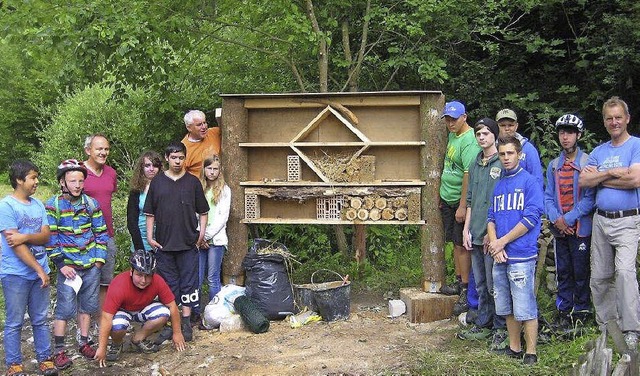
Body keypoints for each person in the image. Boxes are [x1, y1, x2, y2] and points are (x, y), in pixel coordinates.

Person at [579, 96, 640, 350]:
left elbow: (635, 180)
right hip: (601, 221)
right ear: (604, 122)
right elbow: (584, 181)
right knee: (601, 277)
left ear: (627, 118)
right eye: (609, 118)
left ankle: (631, 330)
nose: (614, 122)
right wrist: (614, 172)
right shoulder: (599, 151)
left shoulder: (636, 145)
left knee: (625, 273)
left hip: (628, 219)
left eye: (618, 117)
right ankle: (607, 326)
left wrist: (600, 177)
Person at [45, 159, 108, 370]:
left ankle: (83, 342)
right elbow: (51, 238)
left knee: (87, 307)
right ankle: (59, 350)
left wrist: (99, 261)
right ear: (62, 182)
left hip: (90, 265)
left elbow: (101, 233)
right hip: (68, 268)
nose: (77, 185)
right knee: (64, 308)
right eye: (72, 181)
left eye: (81, 180)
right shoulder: (53, 205)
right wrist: (61, 264)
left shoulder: (91, 204)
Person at [144, 142, 209, 344]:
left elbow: (204, 211)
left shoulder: (192, 182)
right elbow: (150, 213)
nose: (177, 161)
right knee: (169, 287)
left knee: (189, 285)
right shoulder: (157, 183)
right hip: (164, 244)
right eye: (174, 157)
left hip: (189, 243)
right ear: (167, 158)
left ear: (185, 158)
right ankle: (173, 323)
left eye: (181, 157)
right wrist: (149, 236)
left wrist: (202, 233)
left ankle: (187, 324)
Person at [487, 135, 544, 365]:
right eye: (502, 154)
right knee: (506, 304)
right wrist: (494, 244)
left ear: (519, 154)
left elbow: (531, 218)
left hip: (521, 253)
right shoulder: (499, 184)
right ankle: (514, 347)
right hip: (499, 255)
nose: (506, 158)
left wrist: (502, 242)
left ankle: (531, 352)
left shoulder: (529, 182)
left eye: (510, 153)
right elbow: (491, 217)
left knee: (525, 305)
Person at [0, 160, 58, 376]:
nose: (36, 181)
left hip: (38, 272)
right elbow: (16, 246)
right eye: (33, 177)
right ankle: (14, 366)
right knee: (15, 321)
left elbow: (46, 235)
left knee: (40, 319)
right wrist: (39, 270)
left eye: (36, 177)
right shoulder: (6, 206)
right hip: (15, 274)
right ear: (19, 179)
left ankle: (45, 360)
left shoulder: (38, 204)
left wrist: (25, 236)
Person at [544, 114, 595, 330]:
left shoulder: (587, 162)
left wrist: (569, 218)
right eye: (562, 132)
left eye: (570, 133)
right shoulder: (554, 165)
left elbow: (590, 198)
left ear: (579, 135)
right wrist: (557, 219)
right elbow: (547, 196)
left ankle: (582, 311)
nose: (565, 137)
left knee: (581, 270)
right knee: (563, 270)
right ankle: (564, 310)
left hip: (580, 229)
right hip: (560, 230)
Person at [94, 250, 186, 367]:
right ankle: (117, 343)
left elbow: (172, 306)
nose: (143, 280)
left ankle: (138, 338)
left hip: (143, 308)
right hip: (123, 311)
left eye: (148, 276)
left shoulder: (158, 281)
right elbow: (106, 317)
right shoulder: (118, 284)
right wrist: (101, 348)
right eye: (139, 275)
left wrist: (177, 333)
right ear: (131, 272)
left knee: (164, 312)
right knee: (117, 326)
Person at [457, 118, 502, 341]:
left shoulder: (501, 162)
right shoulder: (476, 162)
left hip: (492, 235)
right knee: (481, 282)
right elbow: (471, 200)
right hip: (474, 232)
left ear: (495, 135)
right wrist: (467, 230)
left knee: (495, 283)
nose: (482, 137)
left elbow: (502, 202)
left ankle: (500, 326)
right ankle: (484, 322)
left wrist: (490, 234)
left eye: (486, 133)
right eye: (479, 134)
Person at [438, 101, 482, 317]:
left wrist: (463, 205)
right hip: (448, 198)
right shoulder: (453, 135)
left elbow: (468, 174)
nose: (450, 123)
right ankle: (458, 280)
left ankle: (466, 289)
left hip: (459, 201)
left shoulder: (470, 140)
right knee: (455, 244)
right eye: (447, 119)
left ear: (465, 117)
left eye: (454, 119)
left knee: (463, 246)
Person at [83, 134, 118, 301]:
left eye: (106, 149)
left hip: (106, 235)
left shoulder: (111, 173)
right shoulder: (78, 172)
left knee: (105, 282)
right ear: (88, 150)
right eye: (99, 149)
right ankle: (83, 322)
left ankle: (101, 322)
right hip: (82, 236)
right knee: (84, 281)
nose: (103, 152)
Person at [196, 155, 231, 305]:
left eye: (215, 169)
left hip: (216, 239)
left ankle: (213, 313)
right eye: (209, 168)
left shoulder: (225, 190)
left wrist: (207, 235)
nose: (212, 172)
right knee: (196, 277)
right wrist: (199, 235)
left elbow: (223, 216)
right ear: (204, 169)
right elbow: (193, 213)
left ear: (219, 170)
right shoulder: (198, 188)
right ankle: (195, 312)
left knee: (213, 277)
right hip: (198, 238)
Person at [495, 109, 544, 188]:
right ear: (497, 126)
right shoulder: (493, 149)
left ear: (516, 126)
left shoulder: (528, 149)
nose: (507, 128)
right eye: (503, 125)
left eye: (510, 125)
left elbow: (537, 179)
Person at [127, 151, 163, 251]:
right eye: (147, 165)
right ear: (141, 168)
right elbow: (131, 222)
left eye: (155, 165)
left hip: (162, 241)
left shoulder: (166, 188)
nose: (151, 169)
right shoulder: (136, 191)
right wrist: (140, 248)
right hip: (140, 241)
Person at [182, 110, 221, 177]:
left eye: (204, 123)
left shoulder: (215, 133)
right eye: (199, 125)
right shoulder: (183, 148)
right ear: (189, 128)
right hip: (198, 185)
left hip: (220, 184)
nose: (204, 127)